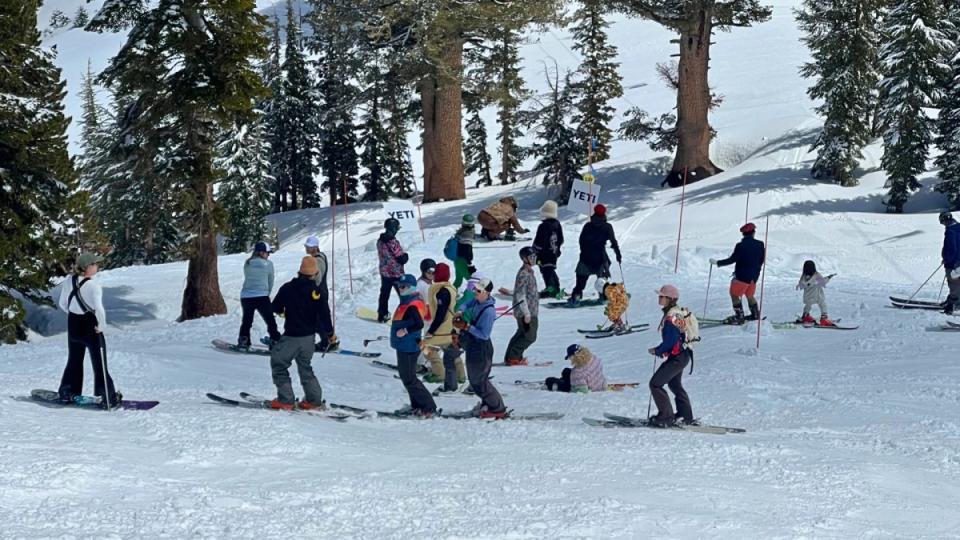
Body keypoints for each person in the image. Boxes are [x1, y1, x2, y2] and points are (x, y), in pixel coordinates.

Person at [56, 252, 121, 408]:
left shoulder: (69, 281)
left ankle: (68, 392)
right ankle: (107, 397)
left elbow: (63, 304)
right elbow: (99, 309)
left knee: (74, 360)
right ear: (87, 267)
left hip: (73, 324)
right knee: (99, 363)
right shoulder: (93, 285)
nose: (98, 266)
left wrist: (74, 314)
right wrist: (102, 325)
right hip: (90, 327)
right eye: (95, 264)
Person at [269, 256, 326, 410]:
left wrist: (283, 311)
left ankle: (286, 399)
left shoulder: (288, 288)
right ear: (314, 274)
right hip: (309, 338)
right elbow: (324, 315)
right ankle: (314, 401)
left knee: (279, 364)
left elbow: (275, 307)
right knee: (305, 366)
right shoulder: (317, 291)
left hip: (292, 336)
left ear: (300, 272)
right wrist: (328, 335)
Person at [454, 277, 507, 418]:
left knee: (480, 381)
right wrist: (459, 312)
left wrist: (466, 326)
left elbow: (484, 334)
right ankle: (487, 404)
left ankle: (497, 408)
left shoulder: (489, 312)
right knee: (474, 379)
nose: (475, 292)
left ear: (487, 293)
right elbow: (467, 303)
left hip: (482, 348)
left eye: (479, 290)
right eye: (475, 289)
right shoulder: (477, 301)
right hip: (473, 346)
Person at [390, 274, 438, 417]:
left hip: (408, 345)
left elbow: (418, 323)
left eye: (404, 287)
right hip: (404, 345)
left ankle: (428, 407)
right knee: (407, 378)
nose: (401, 289)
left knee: (409, 378)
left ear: (412, 288)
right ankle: (417, 405)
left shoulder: (412, 304)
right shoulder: (408, 300)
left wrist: (404, 331)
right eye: (399, 286)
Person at [647, 285, 694, 427]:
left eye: (662, 296)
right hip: (683, 355)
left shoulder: (671, 316)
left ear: (670, 299)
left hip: (678, 357)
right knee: (675, 384)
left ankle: (666, 417)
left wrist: (658, 350)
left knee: (655, 384)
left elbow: (671, 340)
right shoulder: (676, 313)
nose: (659, 298)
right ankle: (685, 416)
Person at [423, 263, 467, 392]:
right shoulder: (451, 288)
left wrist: (431, 330)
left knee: (426, 347)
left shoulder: (442, 291)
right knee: (451, 349)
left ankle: (439, 373)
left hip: (444, 326)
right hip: (452, 326)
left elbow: (440, 313)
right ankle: (461, 375)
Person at [710, 222, 765, 324]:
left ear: (743, 234)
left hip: (742, 276)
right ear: (753, 233)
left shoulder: (740, 245)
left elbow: (732, 259)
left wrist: (718, 263)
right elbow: (761, 260)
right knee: (749, 294)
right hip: (754, 277)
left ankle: (739, 316)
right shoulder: (760, 244)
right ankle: (755, 314)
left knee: (734, 295)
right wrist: (756, 271)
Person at [569, 204, 621, 305]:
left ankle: (576, 297)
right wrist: (618, 254)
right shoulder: (607, 227)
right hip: (600, 258)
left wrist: (585, 251)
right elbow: (613, 242)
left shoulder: (587, 226)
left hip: (585, 257)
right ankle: (604, 297)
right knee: (601, 280)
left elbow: (581, 241)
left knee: (580, 281)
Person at [238, 241, 282, 350]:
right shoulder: (268, 264)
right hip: (262, 296)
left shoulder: (247, 263)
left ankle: (244, 340)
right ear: (261, 253)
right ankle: (275, 340)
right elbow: (270, 281)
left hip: (246, 296)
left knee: (247, 320)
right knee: (270, 320)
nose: (268, 255)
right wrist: (267, 293)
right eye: (267, 253)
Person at [504, 247, 539, 366]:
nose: (534, 259)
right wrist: (527, 313)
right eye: (531, 257)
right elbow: (520, 294)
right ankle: (514, 357)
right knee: (530, 336)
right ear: (524, 259)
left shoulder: (529, 272)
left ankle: (511, 357)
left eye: (535, 257)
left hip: (530, 309)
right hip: (525, 311)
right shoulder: (524, 274)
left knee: (521, 333)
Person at [304, 235, 337, 352]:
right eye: (306, 246)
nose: (307, 248)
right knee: (320, 319)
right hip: (320, 293)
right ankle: (328, 341)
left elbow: (317, 278)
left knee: (318, 320)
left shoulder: (317, 260)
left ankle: (327, 342)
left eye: (309, 246)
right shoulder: (318, 257)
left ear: (315, 247)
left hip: (317, 294)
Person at [377, 218, 409, 322]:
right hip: (396, 273)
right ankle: (407, 314)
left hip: (385, 272)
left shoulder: (380, 241)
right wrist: (406, 256)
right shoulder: (393, 243)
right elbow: (401, 258)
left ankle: (382, 314)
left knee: (384, 294)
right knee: (405, 294)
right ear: (393, 229)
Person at [532, 200, 564, 298]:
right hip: (554, 252)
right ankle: (556, 287)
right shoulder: (557, 224)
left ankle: (550, 289)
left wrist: (534, 249)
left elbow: (539, 241)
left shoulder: (543, 226)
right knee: (550, 269)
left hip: (543, 253)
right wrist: (557, 248)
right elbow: (561, 239)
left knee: (545, 270)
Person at [795, 260, 835, 326]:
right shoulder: (816, 275)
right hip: (816, 296)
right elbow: (823, 282)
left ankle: (805, 316)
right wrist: (828, 277)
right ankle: (824, 319)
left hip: (807, 297)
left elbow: (801, 284)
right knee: (823, 304)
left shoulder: (803, 276)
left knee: (808, 305)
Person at [941, 212, 960, 315]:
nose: (943, 224)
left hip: (953, 263)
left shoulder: (950, 231)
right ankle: (952, 301)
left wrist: (947, 259)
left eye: (942, 222)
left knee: (953, 282)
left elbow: (952, 249)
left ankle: (953, 304)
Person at [454, 214, 476, 288]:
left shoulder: (461, 231)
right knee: (472, 282)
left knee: (458, 281)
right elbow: (467, 251)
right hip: (462, 261)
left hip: (456, 260)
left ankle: (449, 295)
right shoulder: (468, 234)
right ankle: (473, 298)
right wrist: (469, 264)